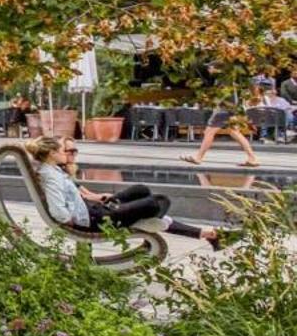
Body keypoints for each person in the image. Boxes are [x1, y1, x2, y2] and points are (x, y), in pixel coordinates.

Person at [29, 136, 223, 244]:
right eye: (65, 151)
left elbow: (79, 197)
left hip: (97, 212)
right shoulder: (52, 176)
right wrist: (75, 221)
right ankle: (144, 220)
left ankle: (144, 219)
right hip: (94, 220)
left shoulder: (54, 171)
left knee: (142, 190)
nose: (69, 154)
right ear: (53, 153)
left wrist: (97, 201)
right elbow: (59, 212)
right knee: (158, 202)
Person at [184, 93, 263, 168]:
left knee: (209, 132)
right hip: (231, 110)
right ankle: (252, 158)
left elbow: (220, 95)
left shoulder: (225, 80)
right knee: (234, 133)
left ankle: (198, 158)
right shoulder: (235, 81)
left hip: (223, 110)